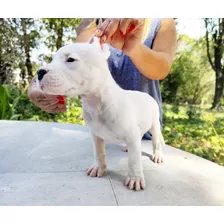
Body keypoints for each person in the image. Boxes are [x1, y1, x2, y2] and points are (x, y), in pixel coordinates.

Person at [28, 18, 177, 139]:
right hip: (100, 125)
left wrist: (134, 48)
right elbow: (70, 64)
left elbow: (162, 68)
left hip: (143, 125)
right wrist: (39, 83)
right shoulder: (91, 22)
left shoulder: (162, 21)